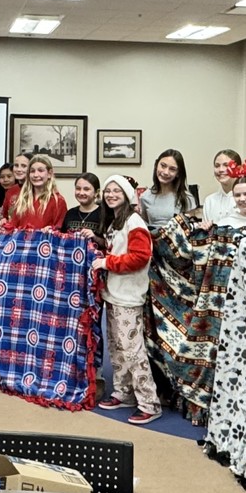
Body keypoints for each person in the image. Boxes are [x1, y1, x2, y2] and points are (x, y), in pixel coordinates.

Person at [91, 174, 161, 424]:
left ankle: (150, 403)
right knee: (117, 348)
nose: (111, 195)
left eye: (116, 191)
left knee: (132, 351)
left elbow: (140, 257)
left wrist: (107, 262)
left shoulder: (135, 223)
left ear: (127, 194)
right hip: (114, 293)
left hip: (129, 296)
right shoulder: (115, 222)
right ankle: (124, 392)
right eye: (107, 191)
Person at [2, 152, 67, 231]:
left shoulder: (58, 201)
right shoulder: (22, 198)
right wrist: (5, 225)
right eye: (32, 171)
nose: (36, 175)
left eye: (40, 170)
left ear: (49, 174)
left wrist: (51, 230)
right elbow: (13, 226)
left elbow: (60, 229)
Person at [142, 149, 195, 230]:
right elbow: (144, 225)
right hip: (152, 236)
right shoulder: (145, 196)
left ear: (178, 173)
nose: (166, 172)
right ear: (156, 165)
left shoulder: (186, 198)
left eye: (172, 169)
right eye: (163, 166)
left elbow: (191, 228)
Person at [200, 149, 246, 225]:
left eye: (226, 165)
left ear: (238, 168)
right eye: (217, 166)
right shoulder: (210, 201)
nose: (221, 170)